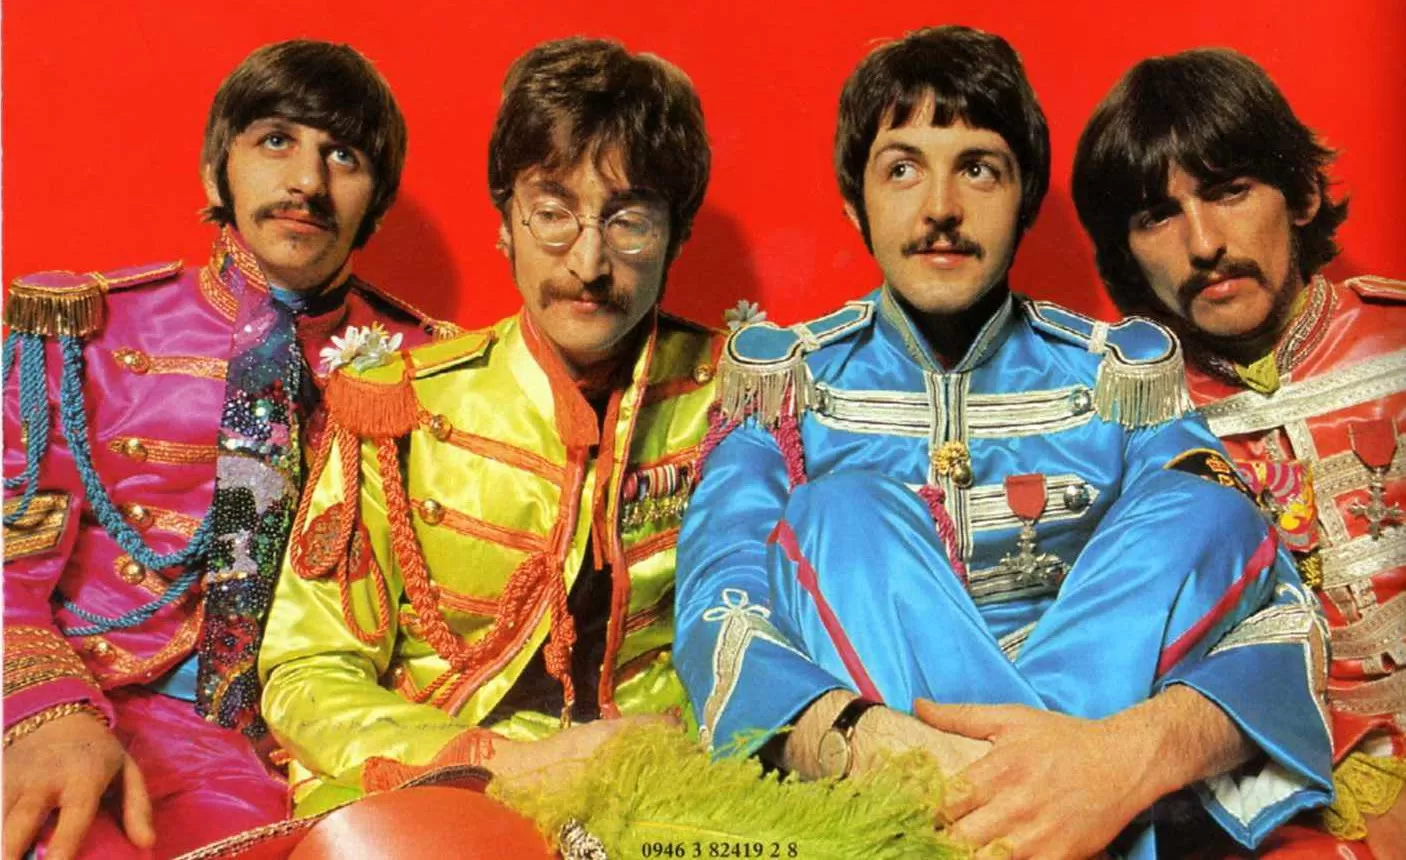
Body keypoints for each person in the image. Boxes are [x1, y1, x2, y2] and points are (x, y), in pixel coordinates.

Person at [675, 26, 1334, 859]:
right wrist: (867, 741)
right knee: (840, 512)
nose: (940, 208)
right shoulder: (786, 381)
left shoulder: (1119, 375)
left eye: (979, 168)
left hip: (1096, 795)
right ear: (853, 202)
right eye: (903, 169)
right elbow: (719, 610)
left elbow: (1284, 617)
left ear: (1025, 199)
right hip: (883, 785)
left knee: (1209, 512)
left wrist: (1116, 759)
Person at [1, 40, 448, 860]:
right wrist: (41, 709)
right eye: (276, 140)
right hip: (86, 699)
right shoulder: (85, 331)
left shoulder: (435, 368)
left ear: (375, 201)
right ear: (218, 172)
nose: (307, 182)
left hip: (298, 744)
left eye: (343, 156)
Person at [257, 36, 719, 818]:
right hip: (441, 783)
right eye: (553, 215)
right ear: (506, 223)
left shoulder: (740, 400)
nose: (588, 264)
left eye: (629, 222)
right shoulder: (398, 406)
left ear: (677, 235)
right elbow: (307, 672)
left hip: (666, 780)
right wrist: (502, 765)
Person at [1073, 47, 1405, 859]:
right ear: (1125, 251)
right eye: (1157, 215)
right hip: (1261, 808)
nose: (1204, 243)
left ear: (1302, 194)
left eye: (1229, 191)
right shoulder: (1113, 418)